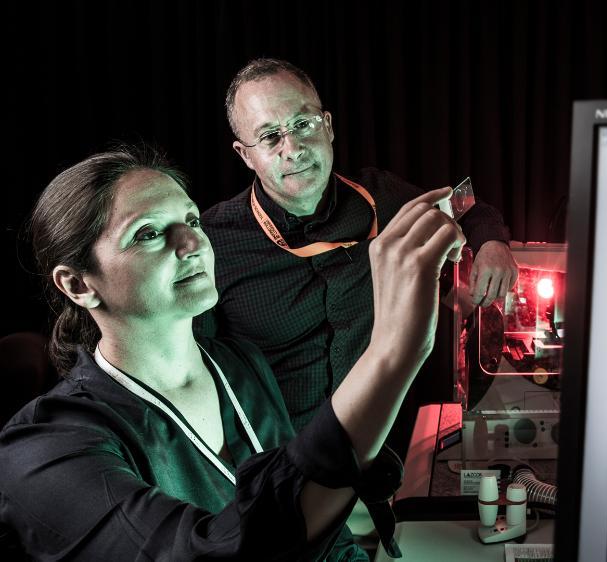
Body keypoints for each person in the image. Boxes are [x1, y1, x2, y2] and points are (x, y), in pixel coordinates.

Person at [0, 146, 464, 560]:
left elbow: (320, 530)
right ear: (78, 284)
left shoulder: (239, 363)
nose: (192, 243)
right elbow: (213, 548)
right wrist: (391, 351)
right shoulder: (43, 452)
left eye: (192, 220)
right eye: (147, 233)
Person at [195, 58, 519, 440]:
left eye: (304, 124)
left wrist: (493, 242)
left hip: (380, 451)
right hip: (280, 462)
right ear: (245, 155)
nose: (293, 148)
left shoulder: (380, 196)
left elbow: (468, 207)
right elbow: (198, 370)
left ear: (328, 127)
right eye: (270, 136)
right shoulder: (213, 242)